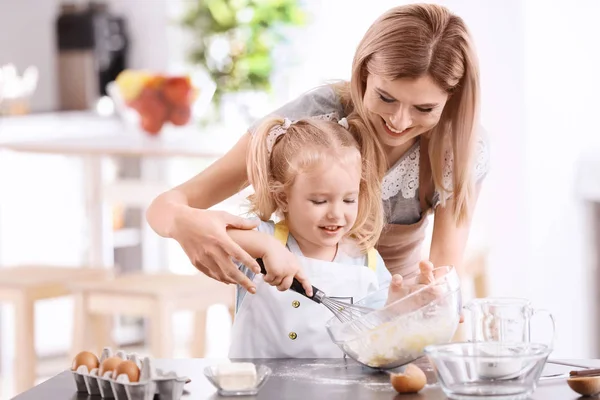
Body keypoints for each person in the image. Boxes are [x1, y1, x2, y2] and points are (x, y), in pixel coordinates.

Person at [145, 3, 490, 295]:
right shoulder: (316, 118)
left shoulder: (456, 149)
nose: (399, 121)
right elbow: (165, 206)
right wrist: (181, 221)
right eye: (386, 97)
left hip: (388, 312)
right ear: (363, 72)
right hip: (294, 318)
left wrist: (432, 297)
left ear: (451, 100)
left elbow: (444, 270)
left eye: (424, 109)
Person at [226, 114, 416, 357]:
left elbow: (379, 332)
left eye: (349, 199)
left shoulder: (365, 261)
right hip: (258, 389)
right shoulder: (266, 238)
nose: (336, 214)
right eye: (319, 201)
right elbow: (215, 235)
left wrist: (395, 306)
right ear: (284, 198)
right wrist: (266, 248)